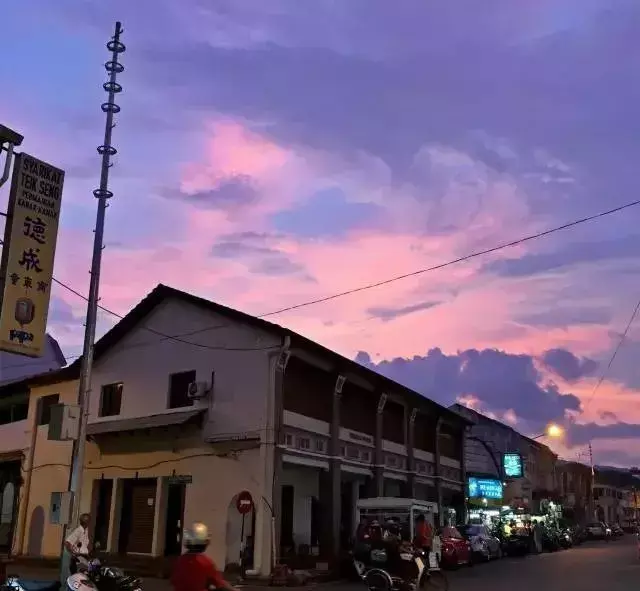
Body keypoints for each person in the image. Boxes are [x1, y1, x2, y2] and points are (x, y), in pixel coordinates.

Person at [171, 522, 238, 591]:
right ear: (204, 542)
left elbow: (174, 581)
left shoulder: (180, 560)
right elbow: (219, 583)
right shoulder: (206, 562)